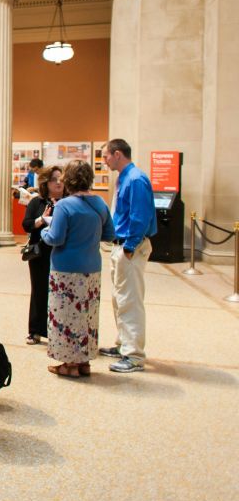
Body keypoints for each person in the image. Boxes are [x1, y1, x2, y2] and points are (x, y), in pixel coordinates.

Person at [40, 161, 115, 377]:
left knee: (65, 316)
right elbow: (109, 234)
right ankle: (84, 361)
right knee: (87, 315)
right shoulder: (99, 203)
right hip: (92, 267)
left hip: (66, 268)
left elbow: (55, 238)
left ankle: (68, 364)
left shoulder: (65, 206)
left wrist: (46, 228)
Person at [101, 138, 157, 373]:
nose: (104, 161)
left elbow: (140, 216)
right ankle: (124, 343)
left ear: (117, 154)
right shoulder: (125, 178)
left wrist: (130, 246)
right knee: (119, 299)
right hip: (121, 245)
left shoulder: (135, 179)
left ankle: (133, 355)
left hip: (129, 247)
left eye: (105, 156)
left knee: (130, 301)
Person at [22, 166, 63, 344]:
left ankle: (57, 330)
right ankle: (35, 330)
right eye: (55, 179)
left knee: (60, 292)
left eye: (61, 179)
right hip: (39, 252)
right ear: (46, 182)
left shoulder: (68, 202)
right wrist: (41, 220)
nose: (59, 183)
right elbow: (27, 225)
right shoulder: (36, 202)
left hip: (61, 252)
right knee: (38, 290)